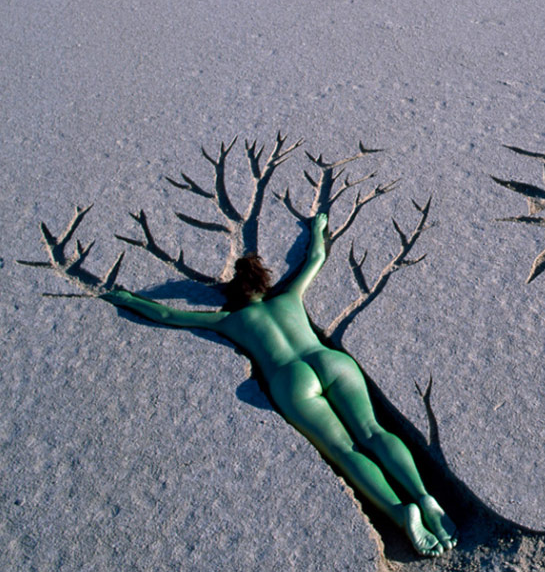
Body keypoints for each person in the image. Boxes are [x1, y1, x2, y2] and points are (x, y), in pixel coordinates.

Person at [102, 213, 457, 557]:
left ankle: (400, 512)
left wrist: (128, 298)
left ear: (235, 293)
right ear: (264, 281)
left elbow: (167, 315)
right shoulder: (290, 296)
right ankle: (424, 496)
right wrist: (318, 227)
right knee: (373, 431)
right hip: (329, 360)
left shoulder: (230, 320)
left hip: (291, 379)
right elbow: (316, 257)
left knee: (347, 451)